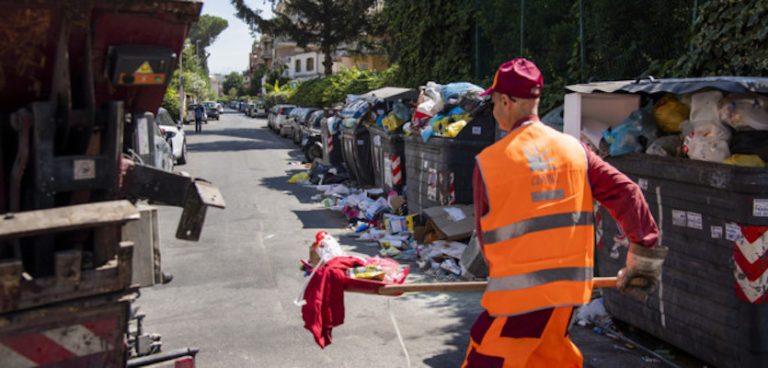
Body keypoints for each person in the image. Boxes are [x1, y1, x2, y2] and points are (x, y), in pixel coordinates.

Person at [462, 58, 668, 368]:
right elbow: (627, 193)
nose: (493, 109)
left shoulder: (490, 163)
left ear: (506, 101)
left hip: (519, 299)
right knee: (547, 358)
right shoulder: (576, 151)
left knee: (486, 358)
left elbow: (483, 235)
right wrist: (644, 261)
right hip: (567, 293)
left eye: (493, 102)